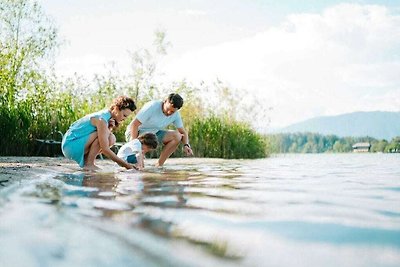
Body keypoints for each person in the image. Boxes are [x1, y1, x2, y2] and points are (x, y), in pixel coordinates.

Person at [62, 96, 137, 170]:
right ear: (116, 108)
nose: (124, 119)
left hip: (74, 145)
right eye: (124, 115)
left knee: (111, 138)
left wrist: (109, 128)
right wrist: (126, 165)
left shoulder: (107, 118)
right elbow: (105, 149)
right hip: (70, 146)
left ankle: (87, 162)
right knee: (108, 137)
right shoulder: (102, 119)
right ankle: (89, 164)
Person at [125, 93, 193, 167]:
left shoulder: (176, 115)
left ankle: (159, 165)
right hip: (135, 133)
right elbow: (134, 125)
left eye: (172, 112)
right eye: (168, 109)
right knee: (139, 167)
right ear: (165, 101)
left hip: (153, 135)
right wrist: (135, 145)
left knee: (177, 136)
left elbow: (183, 132)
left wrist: (186, 145)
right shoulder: (152, 106)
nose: (169, 113)